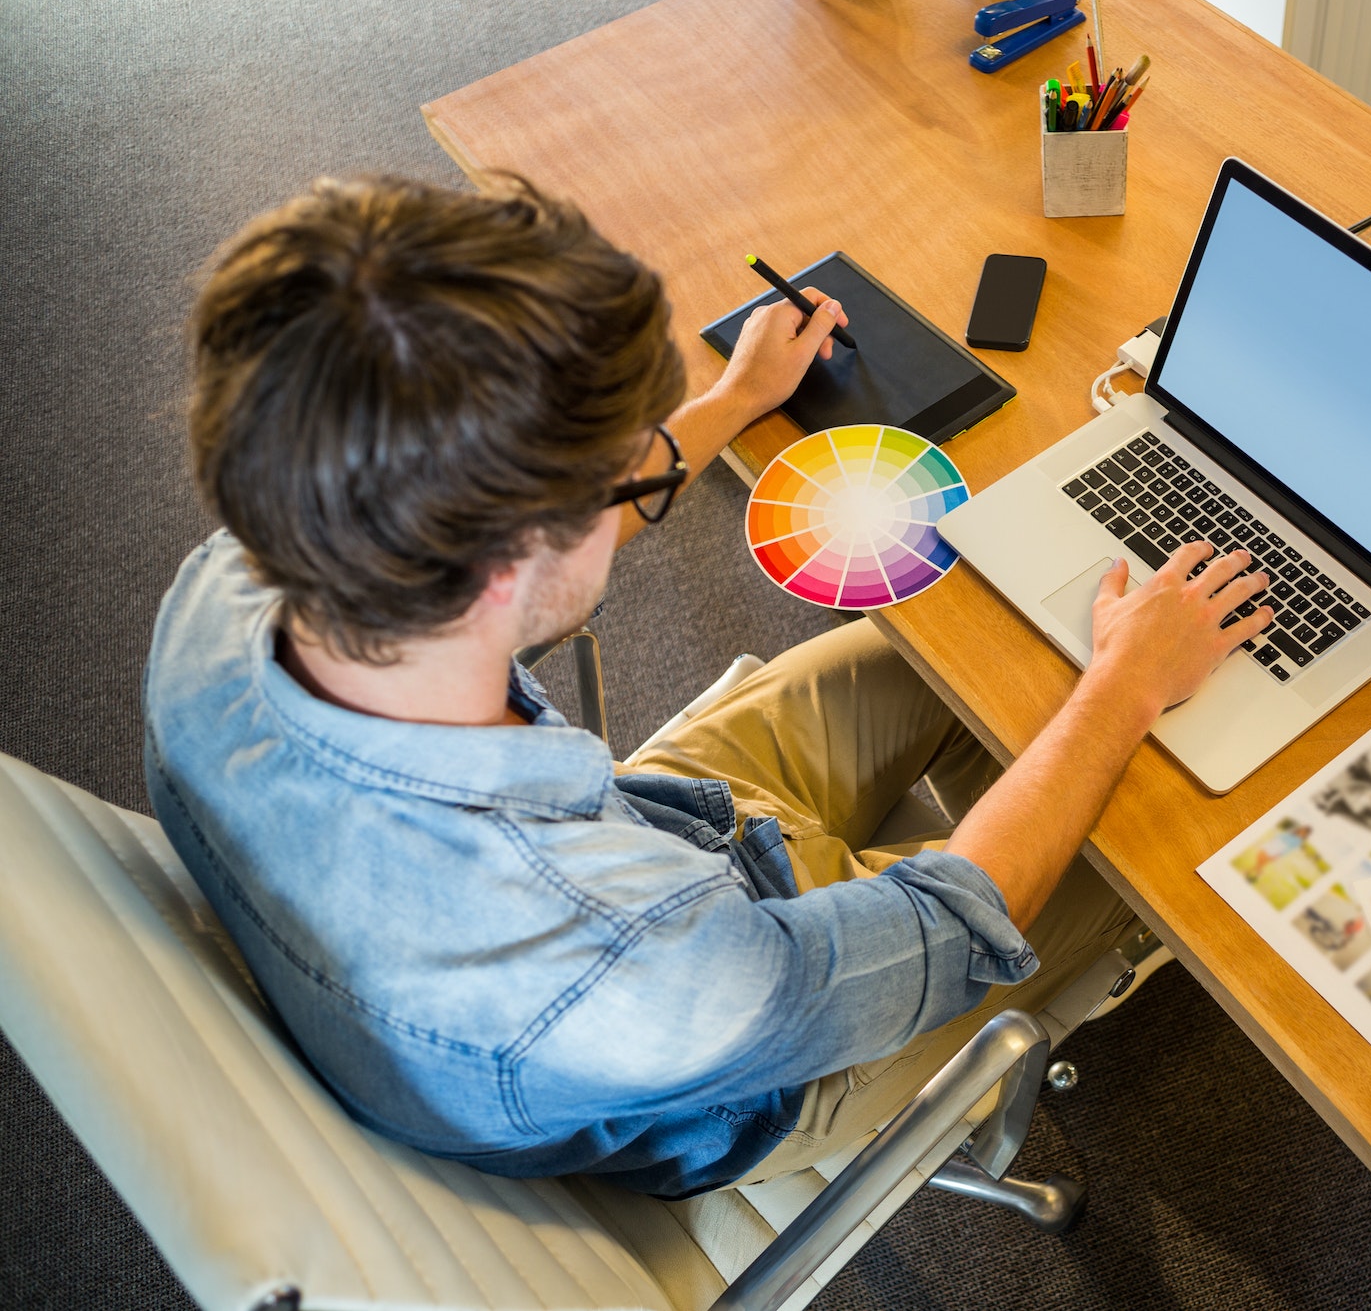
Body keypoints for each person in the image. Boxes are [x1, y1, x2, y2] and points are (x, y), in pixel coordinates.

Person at [142, 174, 1275, 1198]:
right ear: (507, 564)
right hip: (749, 1050)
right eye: (619, 466)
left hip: (654, 845)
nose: (646, 462)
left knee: (964, 634)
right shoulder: (641, 963)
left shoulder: (231, 584)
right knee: (1171, 824)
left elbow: (500, 526)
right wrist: (1121, 692)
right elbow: (942, 929)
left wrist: (734, 399)